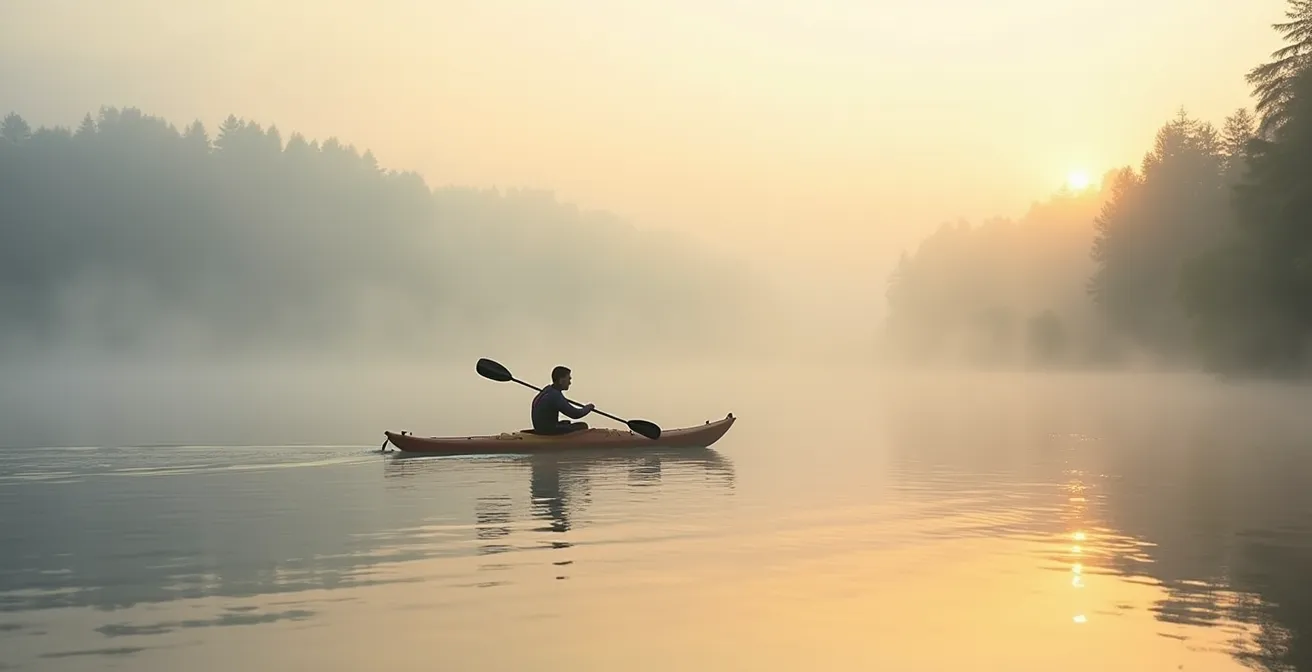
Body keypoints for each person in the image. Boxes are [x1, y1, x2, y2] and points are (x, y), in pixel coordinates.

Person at [530, 366, 594, 434]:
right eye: (568, 379)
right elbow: (575, 414)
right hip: (548, 431)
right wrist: (588, 408)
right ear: (561, 380)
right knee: (583, 426)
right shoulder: (555, 395)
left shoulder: (547, 390)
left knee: (566, 422)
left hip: (542, 428)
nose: (570, 383)